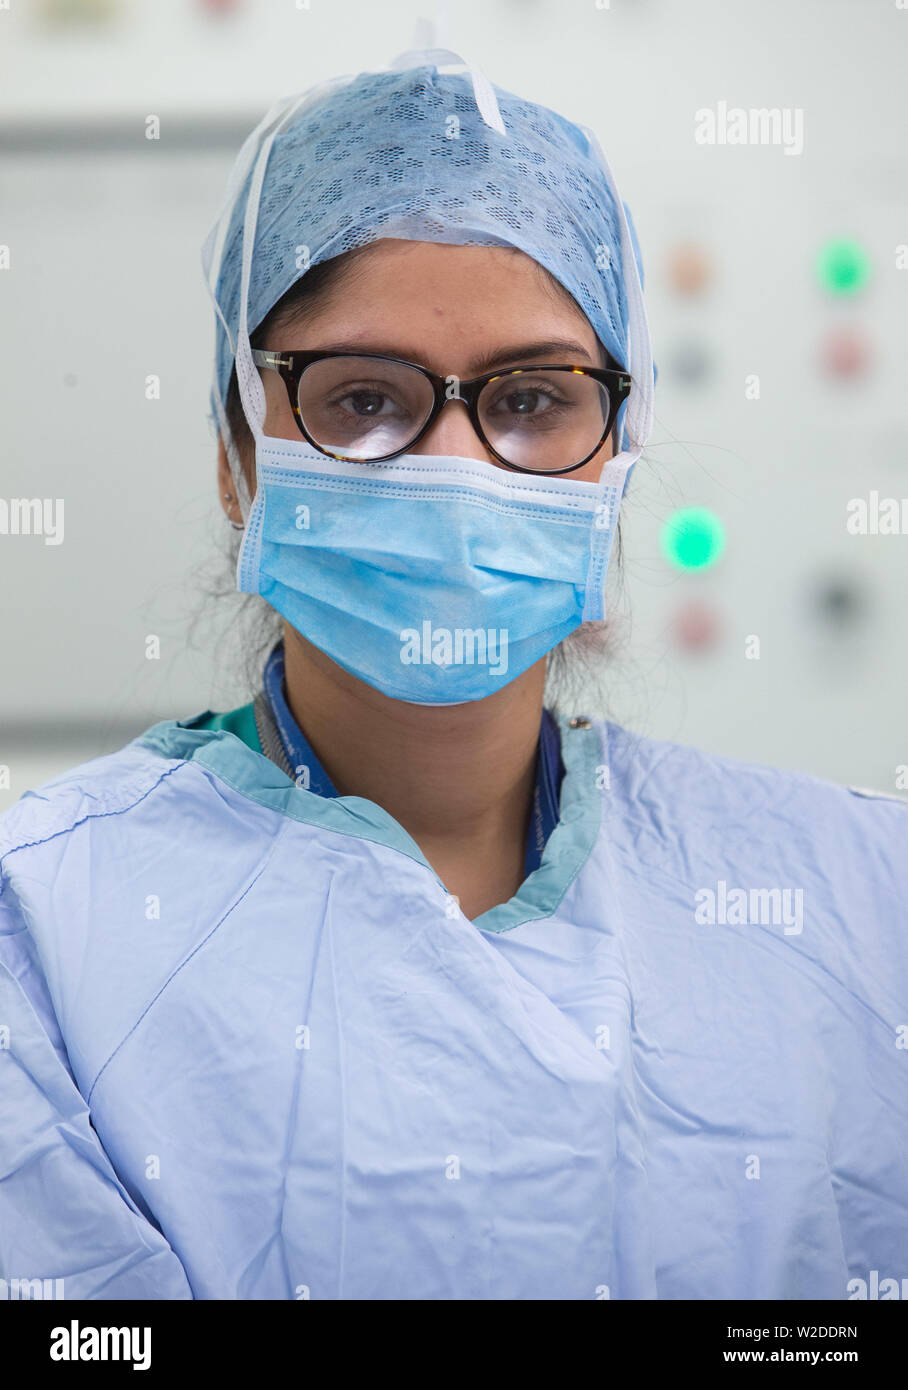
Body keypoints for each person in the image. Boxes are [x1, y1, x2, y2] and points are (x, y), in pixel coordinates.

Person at [1, 49, 906, 1303]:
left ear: (615, 461)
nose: (451, 464)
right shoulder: (44, 931)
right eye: (362, 398)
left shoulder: (850, 902)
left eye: (531, 397)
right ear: (237, 455)